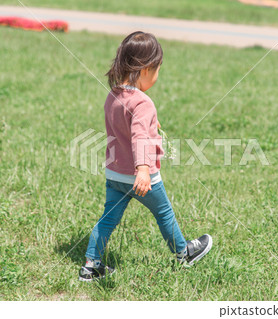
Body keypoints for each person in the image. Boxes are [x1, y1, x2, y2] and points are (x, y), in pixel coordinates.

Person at [79, 31, 212, 281]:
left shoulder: (114, 95)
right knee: (164, 213)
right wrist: (142, 168)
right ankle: (184, 253)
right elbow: (139, 136)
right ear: (147, 68)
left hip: (115, 174)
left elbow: (125, 125)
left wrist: (151, 122)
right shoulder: (143, 103)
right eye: (158, 69)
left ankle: (90, 265)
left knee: (107, 220)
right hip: (141, 176)